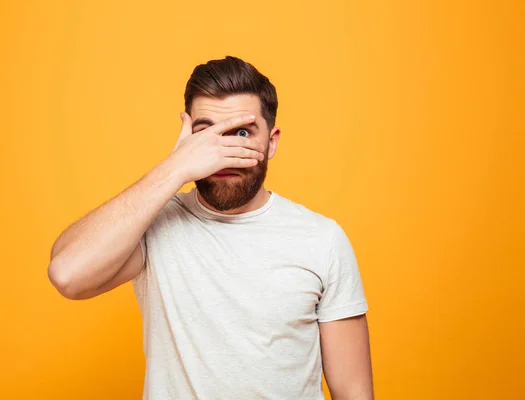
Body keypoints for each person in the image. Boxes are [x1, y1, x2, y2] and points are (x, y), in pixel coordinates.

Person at [48, 56, 374, 399]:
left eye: (243, 133)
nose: (224, 151)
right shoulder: (153, 226)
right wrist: (175, 168)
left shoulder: (321, 240)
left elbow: (353, 390)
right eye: (207, 136)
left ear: (272, 142)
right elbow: (68, 274)